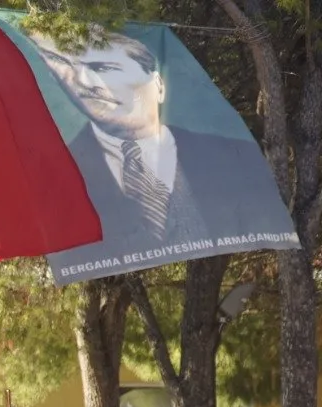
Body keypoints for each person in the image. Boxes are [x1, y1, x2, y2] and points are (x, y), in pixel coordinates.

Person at [31, 31, 296, 263]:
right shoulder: (51, 174)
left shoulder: (230, 156)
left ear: (157, 84)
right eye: (72, 74)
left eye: (103, 68)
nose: (86, 84)